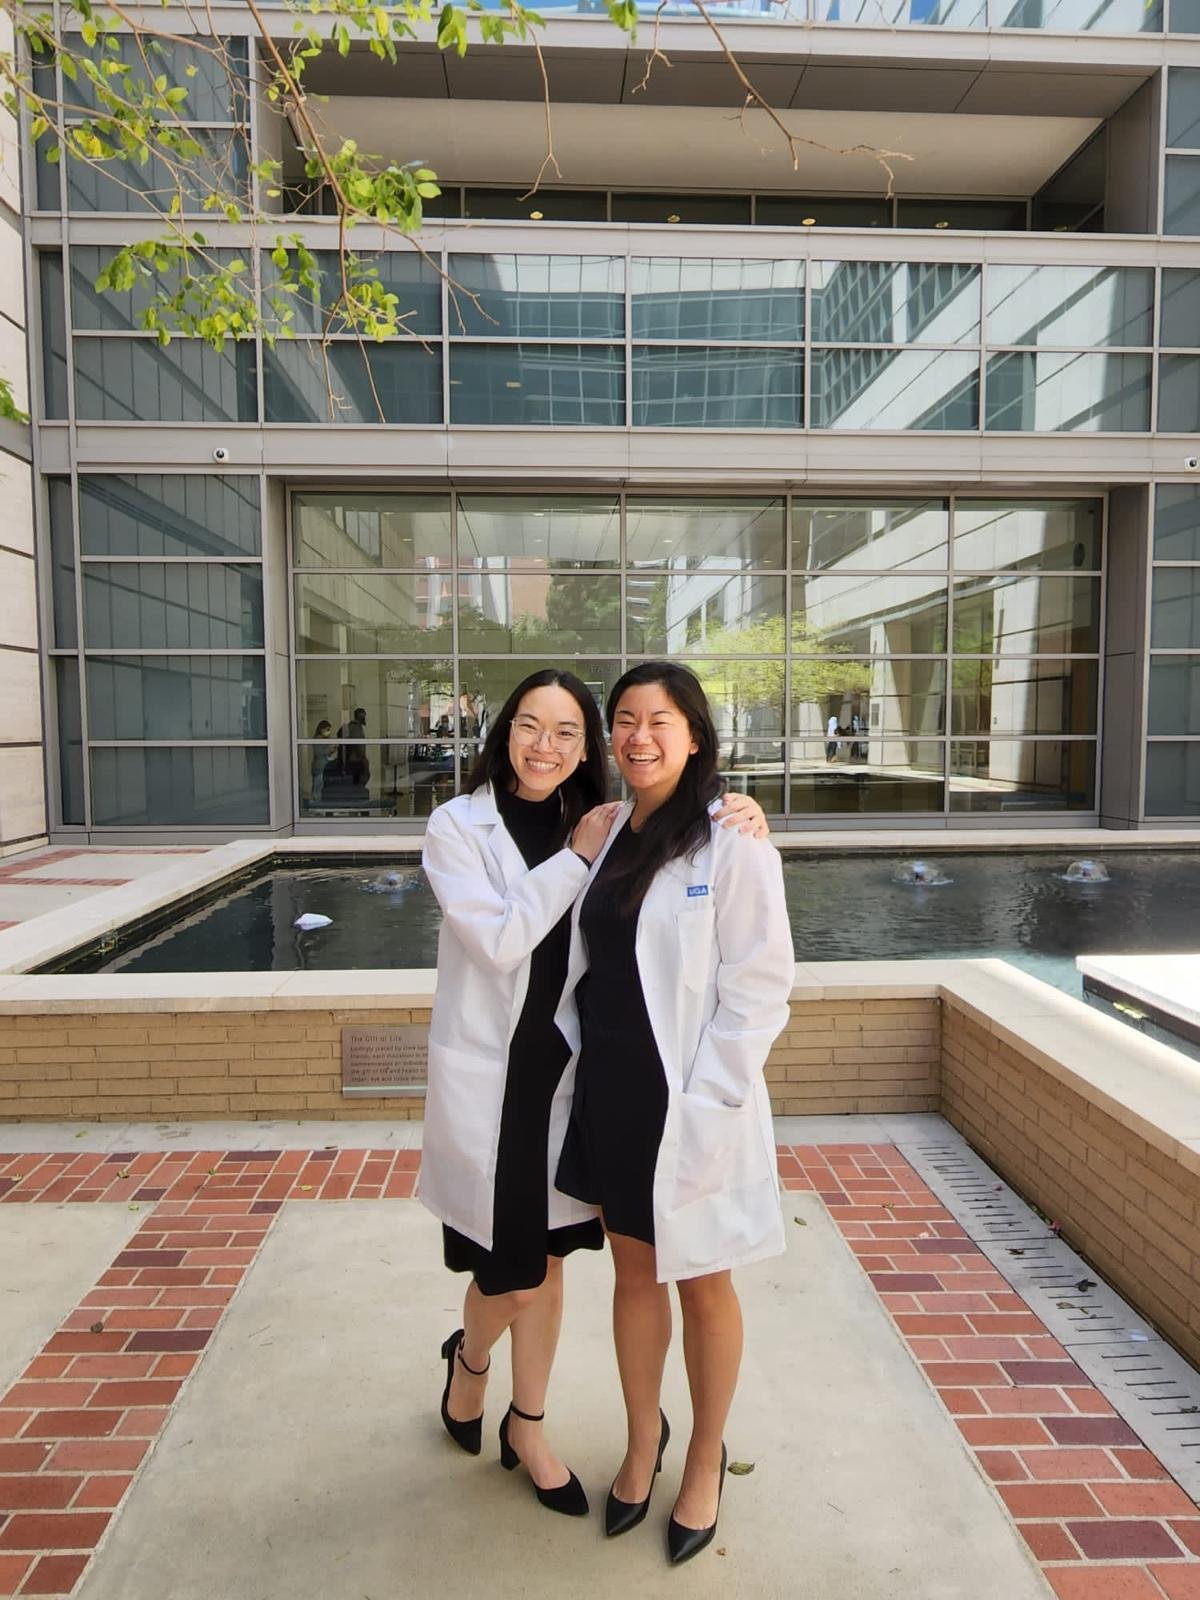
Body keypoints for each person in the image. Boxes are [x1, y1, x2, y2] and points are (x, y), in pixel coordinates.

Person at [419, 667, 768, 1522]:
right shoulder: (511, 829)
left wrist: (744, 811)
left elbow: (747, 975)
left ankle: (580, 1437)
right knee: (532, 1276)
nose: (546, 745)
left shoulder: (665, 831)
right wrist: (576, 857)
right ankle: (487, 1369)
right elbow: (505, 940)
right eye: (530, 726)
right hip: (531, 1088)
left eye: (568, 731)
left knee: (607, 1274)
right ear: (504, 730)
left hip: (626, 1091)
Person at [555, 661, 794, 1564]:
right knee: (634, 1276)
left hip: (691, 1100)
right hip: (611, 1092)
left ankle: (702, 1457)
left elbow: (760, 987)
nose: (639, 736)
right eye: (625, 719)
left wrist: (714, 1102)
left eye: (660, 720)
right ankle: (641, 1440)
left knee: (703, 1282)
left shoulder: (733, 840)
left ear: (695, 736)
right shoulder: (604, 829)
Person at [309, 719, 336, 805]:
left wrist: (332, 750)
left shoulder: (324, 739)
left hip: (323, 768)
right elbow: (319, 752)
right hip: (319, 769)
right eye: (327, 729)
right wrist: (329, 749)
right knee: (318, 790)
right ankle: (316, 805)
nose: (328, 732)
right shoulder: (318, 739)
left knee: (320, 789)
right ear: (322, 729)